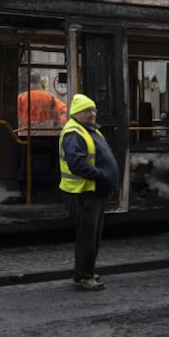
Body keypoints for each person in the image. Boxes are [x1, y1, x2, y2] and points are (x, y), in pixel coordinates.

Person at [59, 93, 119, 292]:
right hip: (82, 193)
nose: (93, 114)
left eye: (94, 110)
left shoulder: (89, 130)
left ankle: (85, 271)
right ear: (77, 113)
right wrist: (101, 175)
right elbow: (77, 164)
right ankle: (85, 277)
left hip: (93, 192)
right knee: (87, 236)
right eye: (88, 111)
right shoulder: (73, 133)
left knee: (92, 236)